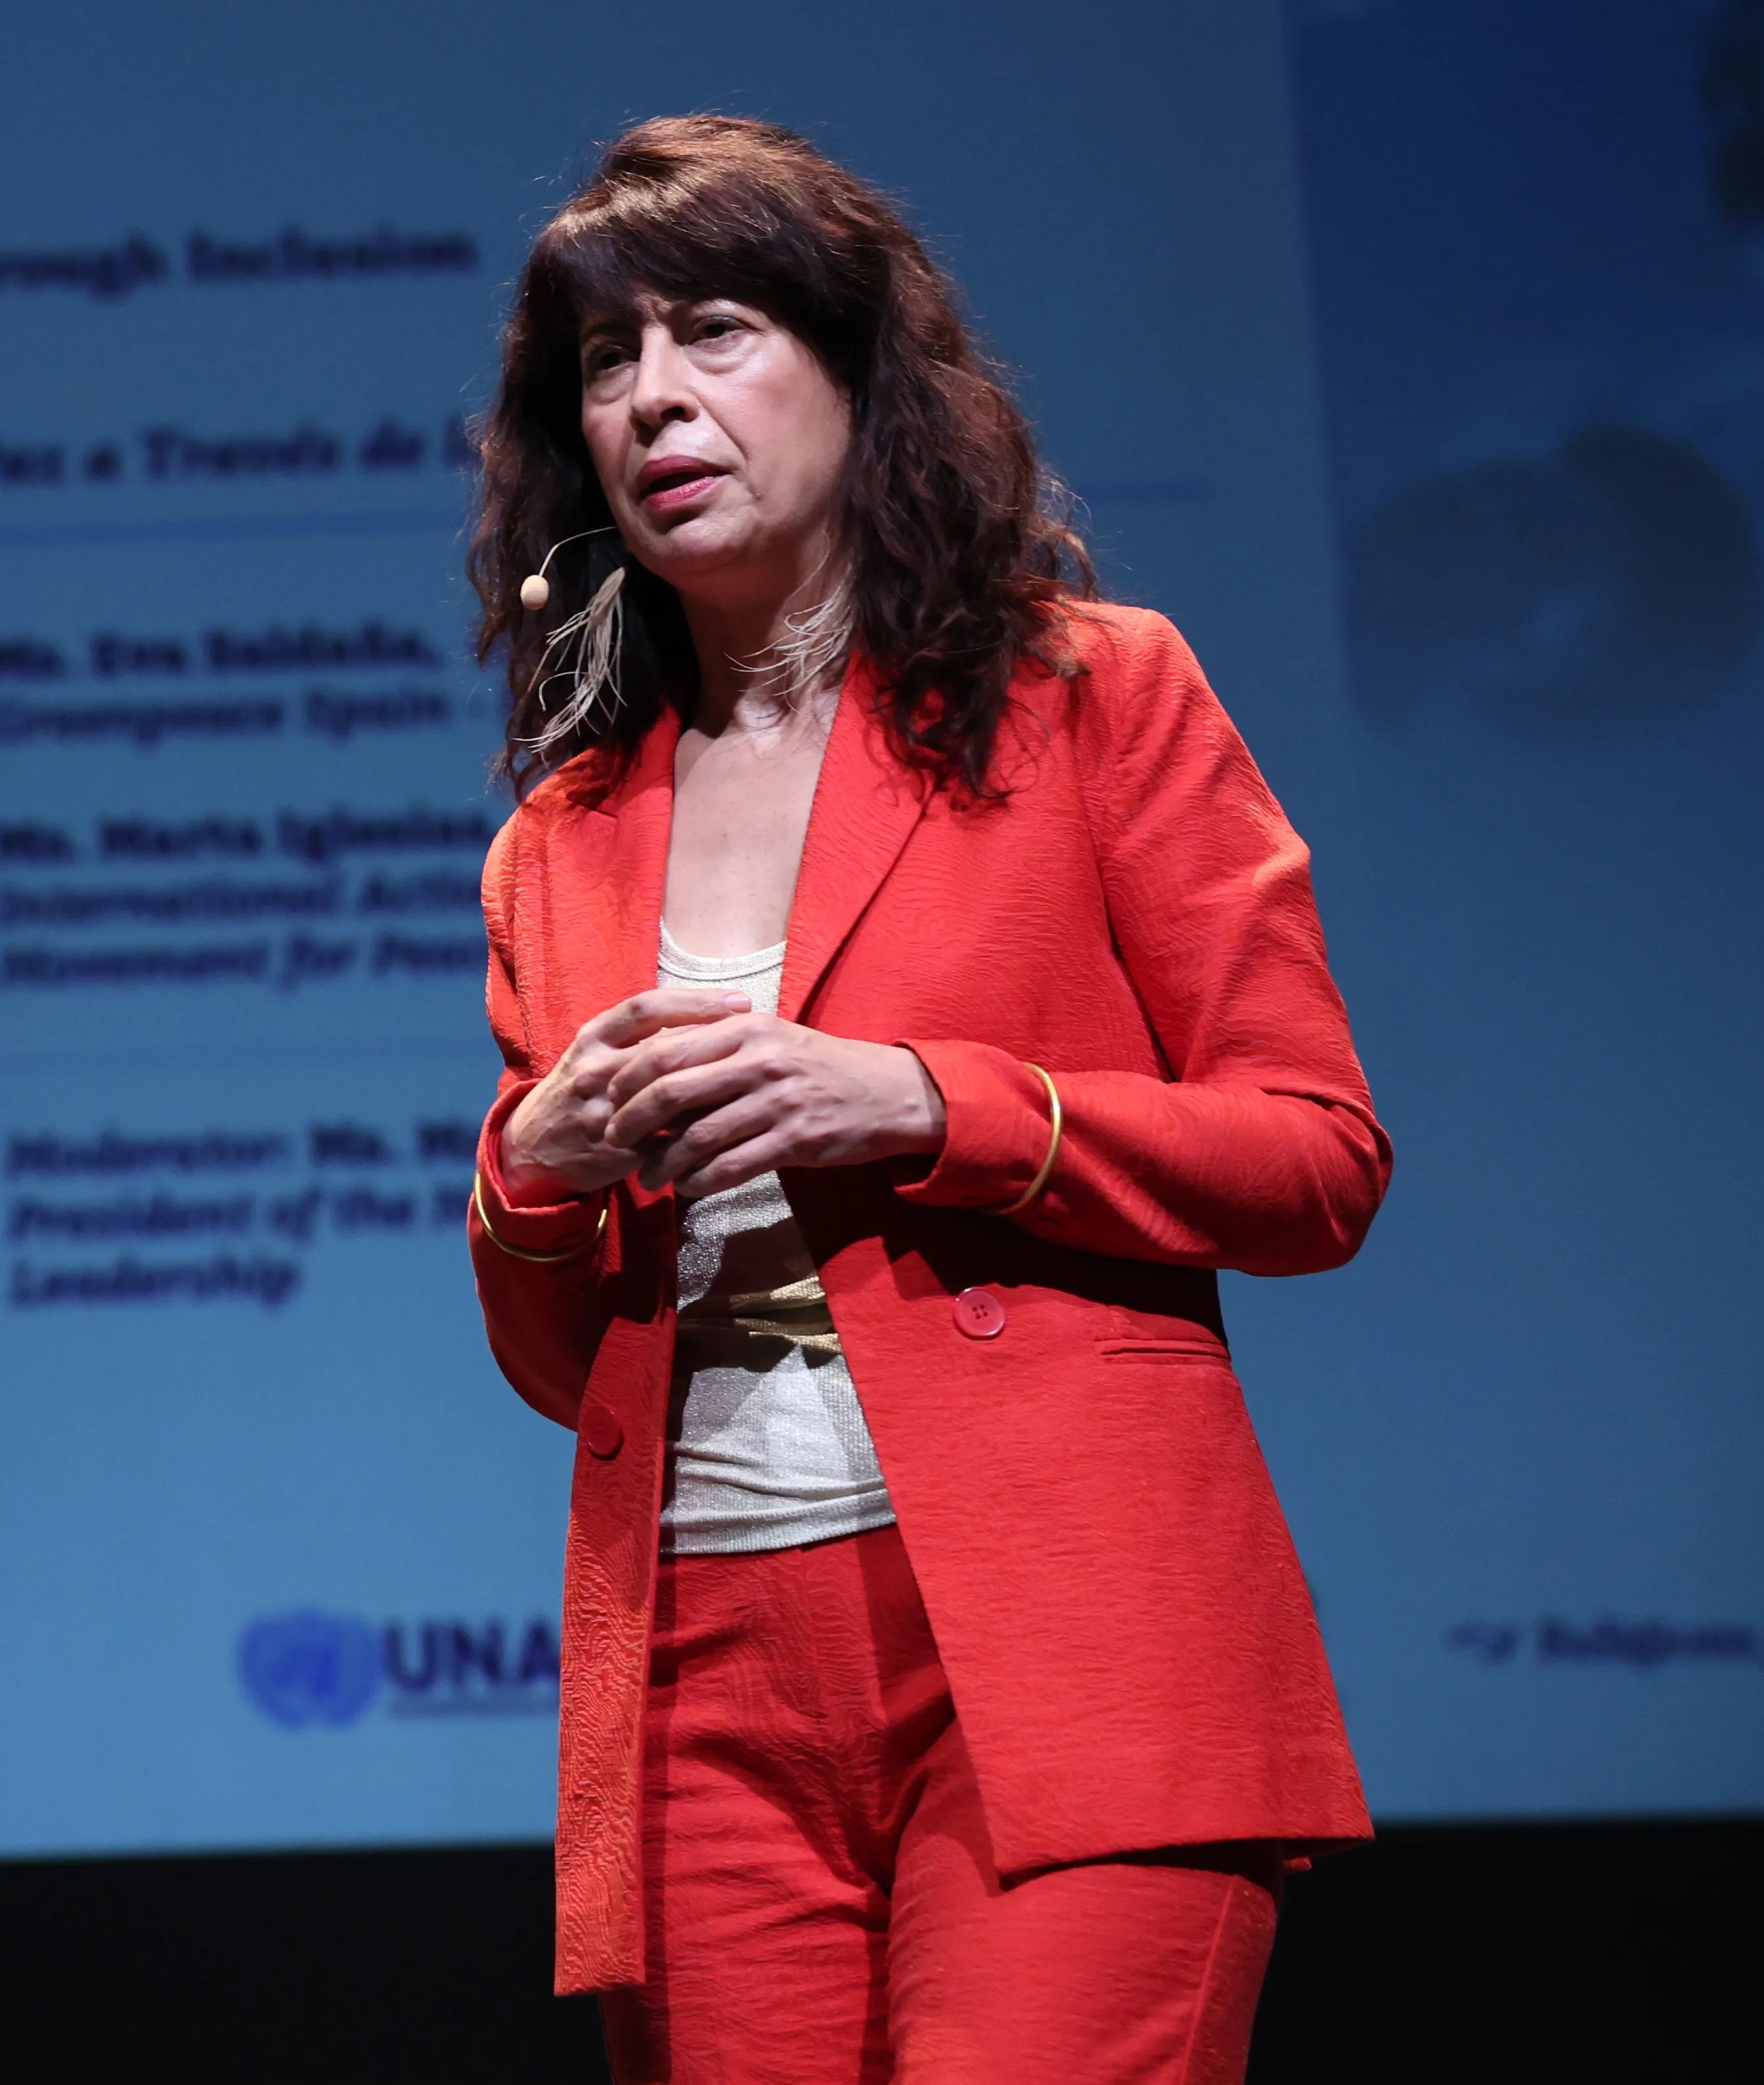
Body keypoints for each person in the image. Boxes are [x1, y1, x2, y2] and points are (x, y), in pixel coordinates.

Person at [462, 115, 1387, 2082]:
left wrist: (926, 1105)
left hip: (1073, 1644)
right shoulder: (562, 842)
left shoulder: (1091, 698)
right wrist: (530, 1180)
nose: (655, 399)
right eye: (607, 363)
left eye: (714, 331)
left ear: (857, 368)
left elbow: (1316, 1162)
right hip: (703, 1675)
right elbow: (567, 1367)